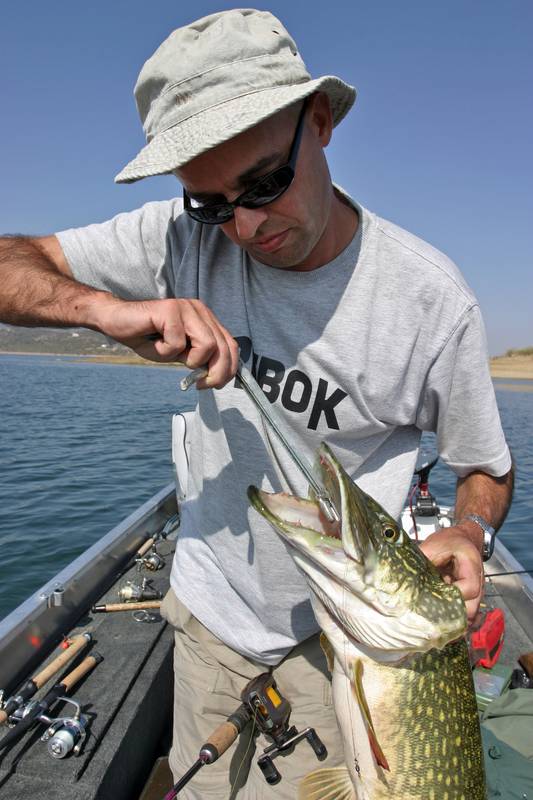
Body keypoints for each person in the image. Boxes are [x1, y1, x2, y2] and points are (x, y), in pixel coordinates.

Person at [0, 9, 513, 798]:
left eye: (265, 184)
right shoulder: (178, 238)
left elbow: (485, 466)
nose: (242, 225)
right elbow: (11, 263)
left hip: (339, 640)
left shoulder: (430, 302)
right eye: (209, 202)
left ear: (319, 123)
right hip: (207, 617)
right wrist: (102, 310)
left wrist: (470, 527)